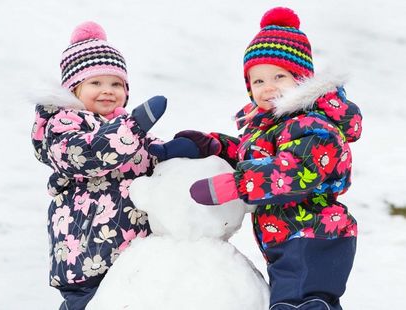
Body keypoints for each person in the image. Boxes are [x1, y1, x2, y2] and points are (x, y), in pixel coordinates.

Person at [150, 7, 362, 310]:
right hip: (291, 237)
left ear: (302, 79)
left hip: (314, 235)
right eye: (258, 81)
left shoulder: (314, 126)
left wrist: (235, 184)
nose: (268, 87)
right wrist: (213, 146)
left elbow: (294, 171)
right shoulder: (276, 126)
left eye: (279, 76)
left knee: (301, 305)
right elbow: (256, 156)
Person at [31, 21, 166, 310]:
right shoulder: (64, 124)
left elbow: (147, 155)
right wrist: (135, 126)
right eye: (96, 83)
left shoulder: (123, 126)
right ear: (74, 88)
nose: (108, 91)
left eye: (116, 83)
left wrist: (172, 150)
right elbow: (91, 155)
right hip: (86, 252)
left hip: (126, 249)